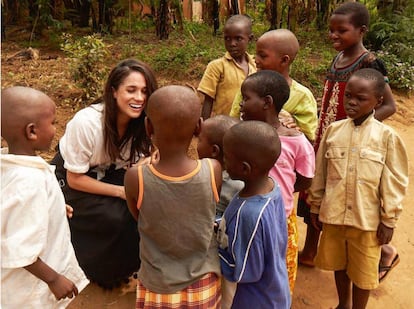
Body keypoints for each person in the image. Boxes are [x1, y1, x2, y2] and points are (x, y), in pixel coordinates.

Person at [297, 1, 398, 271]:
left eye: (341, 31)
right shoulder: (338, 57)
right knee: (318, 193)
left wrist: (357, 129)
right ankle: (310, 251)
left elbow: (389, 105)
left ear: (362, 30)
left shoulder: (369, 62)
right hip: (327, 139)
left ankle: (384, 252)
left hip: (349, 146)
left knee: (343, 196)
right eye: (331, 30)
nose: (333, 36)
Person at [50, 59, 158, 289]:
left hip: (109, 171)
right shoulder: (87, 123)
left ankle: (130, 266)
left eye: (144, 91)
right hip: (72, 177)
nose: (139, 98)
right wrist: (121, 191)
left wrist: (145, 167)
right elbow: (75, 178)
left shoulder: (141, 124)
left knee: (142, 206)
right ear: (114, 91)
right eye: (131, 90)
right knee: (115, 216)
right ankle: (98, 271)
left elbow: (132, 166)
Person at [307, 68, 408, 309]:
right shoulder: (333, 131)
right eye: (348, 96)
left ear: (378, 101)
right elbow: (321, 172)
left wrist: (389, 220)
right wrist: (315, 205)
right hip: (334, 215)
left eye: (360, 98)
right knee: (339, 264)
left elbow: (394, 181)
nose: (351, 102)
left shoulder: (386, 137)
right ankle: (343, 304)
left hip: (367, 222)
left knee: (364, 273)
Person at [124, 85, 223, 308]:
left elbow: (138, 215)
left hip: (158, 285)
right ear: (199, 127)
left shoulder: (136, 178)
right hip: (203, 282)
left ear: (148, 126)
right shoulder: (212, 170)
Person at [1, 86, 89, 308]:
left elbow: (13, 212)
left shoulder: (8, 165)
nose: (56, 129)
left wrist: (55, 208)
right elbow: (20, 249)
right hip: (31, 292)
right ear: (32, 131)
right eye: (52, 123)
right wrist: (54, 278)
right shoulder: (28, 181)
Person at [239, 70, 315, 295]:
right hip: (247, 214)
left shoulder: (296, 141)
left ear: (267, 102)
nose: (241, 104)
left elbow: (305, 179)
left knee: (281, 267)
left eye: (246, 98)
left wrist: (281, 191)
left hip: (281, 216)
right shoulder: (242, 135)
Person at [217, 120, 290, 308]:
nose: (223, 161)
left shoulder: (249, 213)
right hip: (275, 288)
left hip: (254, 300)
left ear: (244, 168)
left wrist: (213, 251)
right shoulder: (271, 188)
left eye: (226, 157)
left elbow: (244, 271)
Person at [230, 28, 318, 142]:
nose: (256, 60)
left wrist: (291, 124)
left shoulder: (302, 97)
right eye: (256, 54)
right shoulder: (248, 87)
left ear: (284, 60)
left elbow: (308, 140)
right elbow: (233, 122)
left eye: (262, 56)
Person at [198, 14, 256, 119]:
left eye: (238, 39)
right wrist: (204, 128)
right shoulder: (217, 66)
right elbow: (208, 100)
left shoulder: (257, 64)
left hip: (250, 127)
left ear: (250, 39)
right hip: (223, 127)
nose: (232, 43)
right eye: (227, 39)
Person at [197, 114, 243, 218]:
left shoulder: (236, 188)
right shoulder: (241, 184)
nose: (196, 144)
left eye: (199, 140)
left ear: (214, 151)